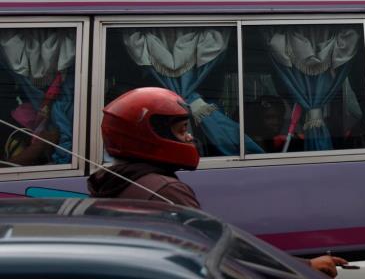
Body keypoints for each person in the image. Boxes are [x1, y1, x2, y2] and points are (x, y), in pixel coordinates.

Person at [87, 87, 348, 278]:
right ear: (148, 137)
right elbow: (220, 256)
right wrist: (304, 267)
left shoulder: (114, 182)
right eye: (181, 131)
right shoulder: (166, 191)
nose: (189, 137)